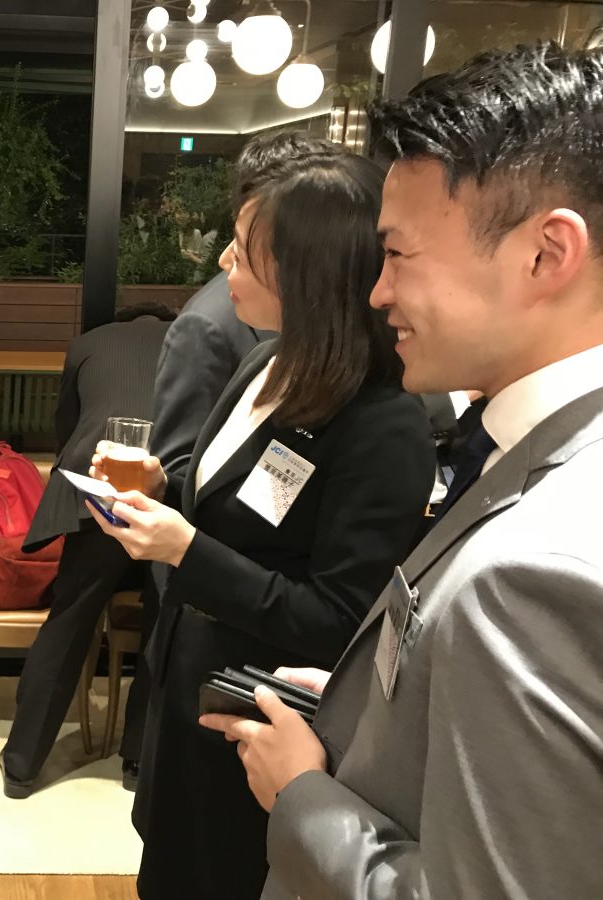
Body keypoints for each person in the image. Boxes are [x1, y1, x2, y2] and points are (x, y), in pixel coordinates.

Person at [203, 43, 603, 900]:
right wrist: (367, 705)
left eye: (399, 255)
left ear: (546, 254)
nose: (377, 292)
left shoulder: (539, 567)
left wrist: (301, 792)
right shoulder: (531, 451)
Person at [90, 146, 434, 898]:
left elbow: (339, 619)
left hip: (265, 726)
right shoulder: (264, 363)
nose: (224, 262)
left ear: (308, 273)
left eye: (244, 250)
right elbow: (236, 509)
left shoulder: (382, 422)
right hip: (188, 688)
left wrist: (185, 551)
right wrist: (163, 485)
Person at [0, 302, 176, 798]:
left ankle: (21, 766)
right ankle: (138, 760)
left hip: (96, 491)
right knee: (163, 624)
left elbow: (68, 426)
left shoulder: (89, 343)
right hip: (167, 493)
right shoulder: (192, 339)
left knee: (69, 621)